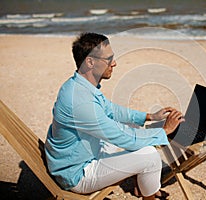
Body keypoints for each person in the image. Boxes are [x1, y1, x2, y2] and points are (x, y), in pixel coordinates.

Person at [44, 32, 184, 200]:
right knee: (150, 156)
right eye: (108, 59)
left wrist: (150, 117)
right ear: (90, 62)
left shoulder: (80, 85)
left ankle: (144, 184)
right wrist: (164, 131)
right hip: (78, 173)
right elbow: (121, 137)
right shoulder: (81, 103)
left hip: (84, 152)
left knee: (134, 125)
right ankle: (150, 194)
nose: (114, 63)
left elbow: (111, 110)